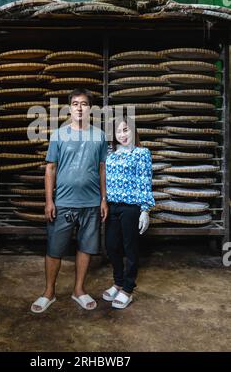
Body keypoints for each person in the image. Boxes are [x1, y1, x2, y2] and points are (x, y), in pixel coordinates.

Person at [31, 88, 108, 313]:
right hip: (63, 201)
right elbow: (50, 169)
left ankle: (79, 290)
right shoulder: (59, 135)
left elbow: (102, 169)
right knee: (55, 249)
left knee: (86, 247)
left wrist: (103, 199)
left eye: (84, 104)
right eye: (75, 104)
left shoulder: (100, 136)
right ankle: (49, 292)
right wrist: (49, 201)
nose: (80, 108)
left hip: (91, 202)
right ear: (69, 108)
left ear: (90, 108)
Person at [103, 115, 155, 309]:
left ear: (133, 131)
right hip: (112, 206)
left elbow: (144, 182)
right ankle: (117, 282)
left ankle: (128, 288)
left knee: (130, 248)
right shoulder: (110, 154)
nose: (122, 135)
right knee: (111, 246)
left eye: (126, 130)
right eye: (118, 131)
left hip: (131, 208)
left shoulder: (142, 153)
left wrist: (145, 210)